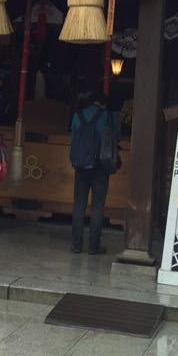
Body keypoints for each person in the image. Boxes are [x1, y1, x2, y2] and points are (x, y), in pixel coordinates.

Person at [69, 88, 116, 254]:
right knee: (97, 206)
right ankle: (94, 246)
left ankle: (76, 244)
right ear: (102, 103)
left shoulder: (77, 116)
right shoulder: (109, 116)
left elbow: (73, 137)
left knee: (79, 204)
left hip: (81, 166)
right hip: (100, 166)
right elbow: (115, 137)